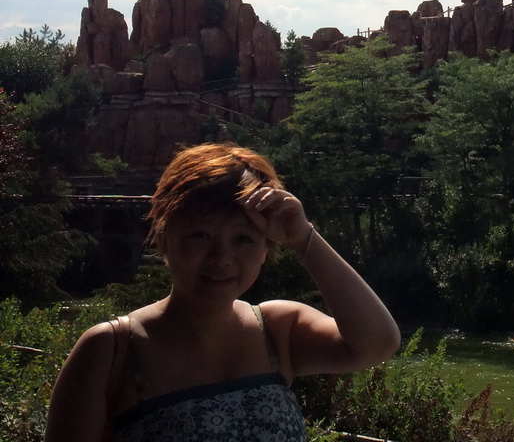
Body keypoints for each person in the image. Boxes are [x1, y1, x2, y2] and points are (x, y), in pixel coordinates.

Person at [45, 143, 401, 442]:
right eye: (200, 235)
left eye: (243, 239)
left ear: (266, 249)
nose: (222, 259)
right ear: (164, 237)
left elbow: (377, 344)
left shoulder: (277, 330)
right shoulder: (111, 351)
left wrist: (304, 237)